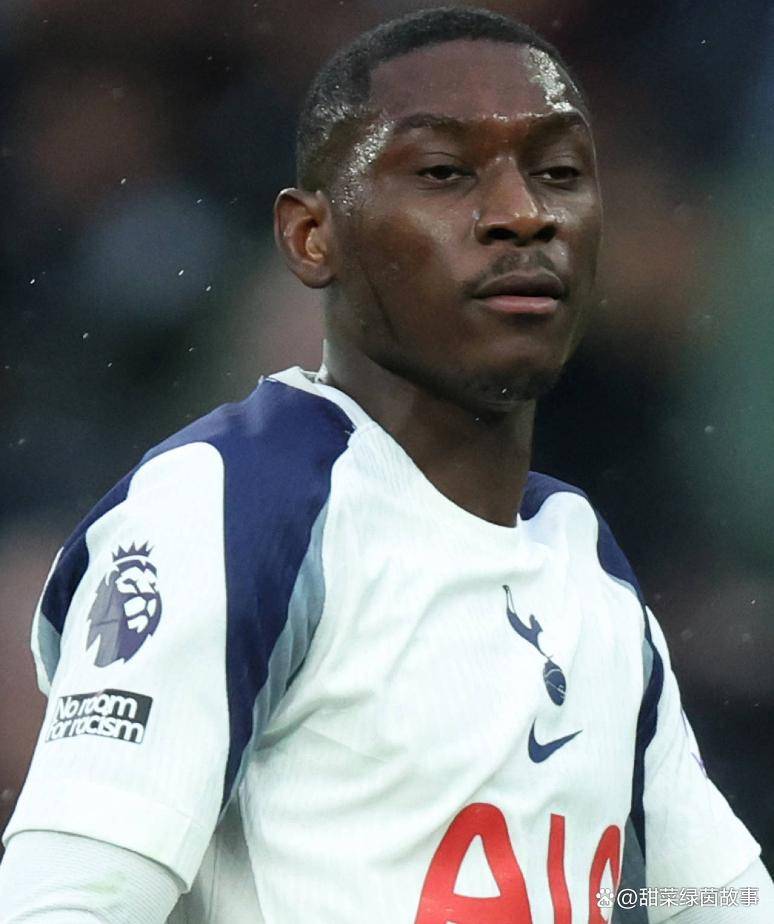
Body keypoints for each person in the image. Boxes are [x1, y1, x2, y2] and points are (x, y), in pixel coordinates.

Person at [0, 7, 771, 923]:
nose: (523, 215)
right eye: (444, 172)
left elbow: (704, 897)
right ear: (311, 237)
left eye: (559, 173)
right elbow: (67, 903)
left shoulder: (584, 562)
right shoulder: (230, 509)